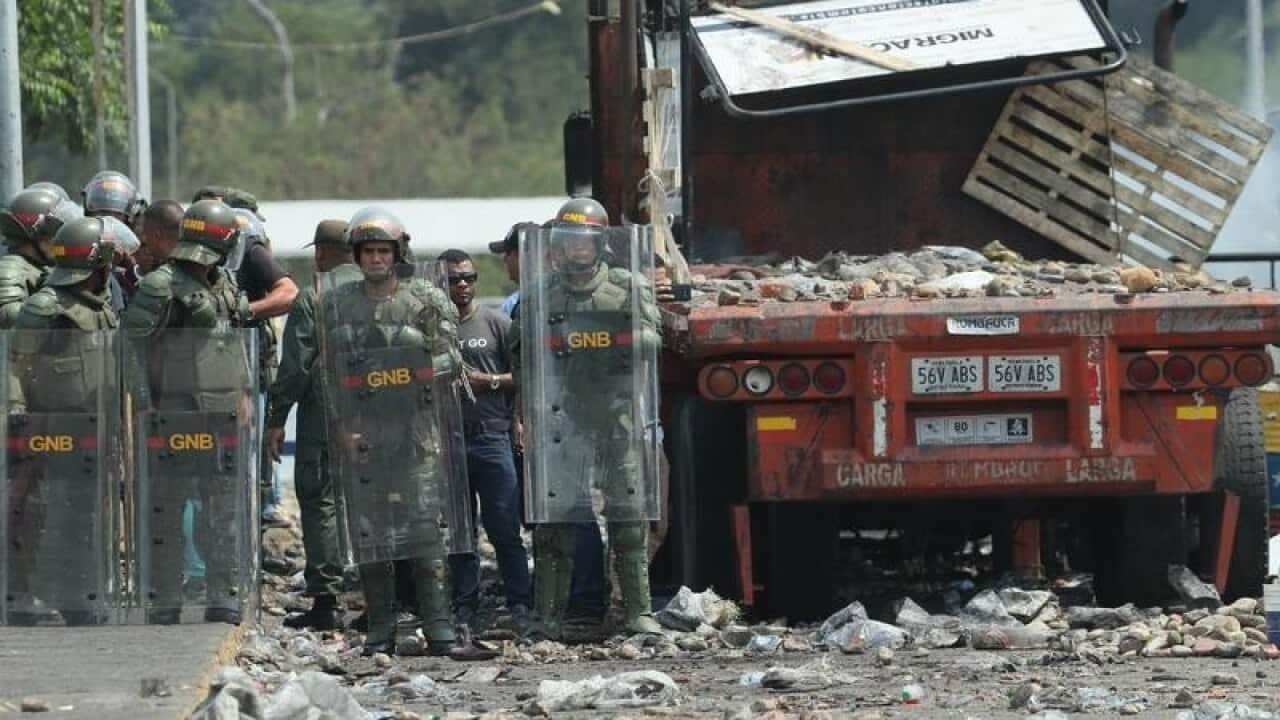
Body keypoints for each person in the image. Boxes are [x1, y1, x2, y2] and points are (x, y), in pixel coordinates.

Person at [316, 207, 488, 659]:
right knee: (372, 536)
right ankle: (379, 631)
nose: (375, 259)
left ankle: (440, 629)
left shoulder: (426, 299)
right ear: (357, 255)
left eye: (383, 251)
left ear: (398, 253)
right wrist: (343, 430)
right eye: (368, 251)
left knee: (425, 533)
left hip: (417, 431)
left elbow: (453, 360)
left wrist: (412, 368)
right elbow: (329, 375)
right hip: (366, 434)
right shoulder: (339, 303)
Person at [514, 198, 663, 640]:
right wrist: (525, 413)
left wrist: (612, 336)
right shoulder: (542, 292)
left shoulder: (626, 286)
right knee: (553, 523)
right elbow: (524, 355)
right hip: (562, 417)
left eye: (585, 240)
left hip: (615, 417)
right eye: (570, 239)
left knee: (629, 519)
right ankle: (547, 617)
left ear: (599, 243)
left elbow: (654, 339)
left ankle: (638, 612)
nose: (577, 248)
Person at [122, 199, 257, 625]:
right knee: (165, 507)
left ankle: (223, 594)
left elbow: (234, 343)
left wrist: (245, 391)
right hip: (172, 412)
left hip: (222, 414)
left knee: (222, 510)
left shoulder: (227, 284)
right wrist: (144, 403)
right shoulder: (161, 284)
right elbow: (128, 346)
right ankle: (164, 598)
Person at [7, 216, 131, 626]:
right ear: (98, 262)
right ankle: (27, 595)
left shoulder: (103, 307)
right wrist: (17, 416)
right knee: (43, 513)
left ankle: (80, 594)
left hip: (94, 427)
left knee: (86, 513)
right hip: (49, 426)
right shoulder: (47, 305)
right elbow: (14, 361)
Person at [267, 220, 358, 631]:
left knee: (320, 495)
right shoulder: (382, 289)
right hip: (383, 408)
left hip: (327, 407)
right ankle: (383, 599)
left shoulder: (315, 296)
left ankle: (327, 599)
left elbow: (295, 367)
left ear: (321, 253)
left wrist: (276, 419)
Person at [189, 186, 298, 527]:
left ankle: (258, 518)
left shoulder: (247, 248)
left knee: (250, 460)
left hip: (248, 371)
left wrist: (242, 313)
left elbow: (288, 292)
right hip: (195, 377)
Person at [439, 249, 531, 629]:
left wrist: (489, 382)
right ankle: (464, 605)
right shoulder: (434, 331)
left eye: (468, 278)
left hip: (492, 439)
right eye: (453, 279)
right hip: (449, 443)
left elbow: (525, 377)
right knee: (460, 531)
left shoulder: (497, 324)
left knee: (505, 527)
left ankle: (521, 602)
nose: (462, 285)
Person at [0, 186, 81, 327]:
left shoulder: (38, 266)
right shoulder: (11, 268)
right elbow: (8, 316)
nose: (61, 240)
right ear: (37, 234)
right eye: (57, 233)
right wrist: (51, 300)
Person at [82, 171, 147, 310]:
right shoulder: (78, 250)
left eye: (116, 215)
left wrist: (132, 268)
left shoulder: (142, 255)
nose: (109, 220)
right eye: (101, 213)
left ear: (130, 218)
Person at [137, 200, 184, 274]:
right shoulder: (197, 265)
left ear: (157, 234)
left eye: (145, 233)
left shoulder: (160, 279)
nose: (144, 239)